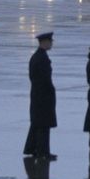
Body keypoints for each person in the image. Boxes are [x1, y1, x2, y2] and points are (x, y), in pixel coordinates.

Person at [23, 32, 57, 160]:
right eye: (50, 41)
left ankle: (32, 148)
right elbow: (45, 79)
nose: (51, 43)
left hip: (37, 94)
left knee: (37, 123)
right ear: (44, 42)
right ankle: (43, 151)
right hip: (43, 95)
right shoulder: (42, 58)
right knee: (43, 124)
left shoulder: (36, 57)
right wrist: (50, 91)